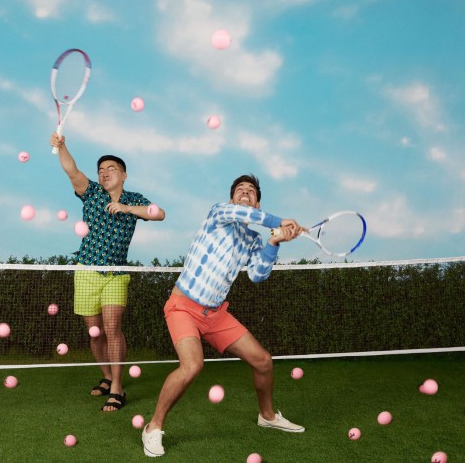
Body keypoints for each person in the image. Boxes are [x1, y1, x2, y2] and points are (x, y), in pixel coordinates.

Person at [141, 174, 305, 457]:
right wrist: (279, 221)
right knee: (192, 365)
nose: (245, 192)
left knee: (263, 361)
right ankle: (153, 428)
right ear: (232, 199)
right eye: (240, 189)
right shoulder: (218, 214)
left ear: (257, 202)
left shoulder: (252, 239)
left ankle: (267, 416)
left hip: (215, 314)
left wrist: (274, 241)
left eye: (251, 191)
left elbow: (257, 275)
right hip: (183, 307)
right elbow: (243, 214)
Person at [50, 132, 165, 412]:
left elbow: (159, 213)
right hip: (87, 271)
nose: (104, 173)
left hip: (116, 274)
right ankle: (107, 376)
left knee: (113, 329)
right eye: (101, 169)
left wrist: (127, 208)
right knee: (95, 333)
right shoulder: (91, 193)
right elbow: (71, 170)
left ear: (123, 175)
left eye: (111, 168)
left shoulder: (134, 199)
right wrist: (62, 147)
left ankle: (117, 387)